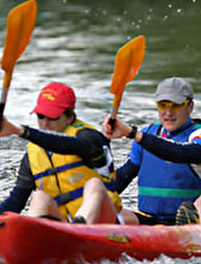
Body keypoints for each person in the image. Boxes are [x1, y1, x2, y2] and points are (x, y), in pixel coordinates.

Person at [102, 77, 201, 225]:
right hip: (152, 221)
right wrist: (105, 140)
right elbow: (123, 177)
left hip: (200, 221)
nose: (168, 113)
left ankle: (198, 236)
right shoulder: (148, 133)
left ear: (190, 107)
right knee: (107, 212)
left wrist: (133, 133)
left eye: (176, 105)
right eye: (163, 105)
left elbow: (180, 153)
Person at [0, 82, 123, 224]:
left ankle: (80, 228)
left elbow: (66, 145)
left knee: (94, 184)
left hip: (105, 221)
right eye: (40, 116)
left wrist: (21, 131)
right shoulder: (33, 153)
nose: (44, 124)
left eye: (52, 117)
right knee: (39, 197)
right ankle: (39, 237)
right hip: (64, 226)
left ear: (70, 118)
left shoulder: (89, 138)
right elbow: (16, 200)